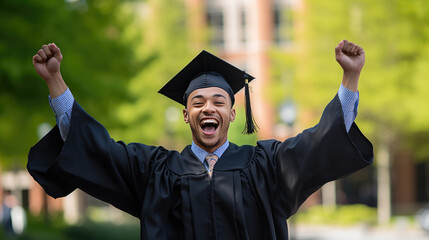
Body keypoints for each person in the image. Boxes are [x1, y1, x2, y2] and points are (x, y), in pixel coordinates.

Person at [28, 40, 373, 240]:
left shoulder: (265, 167)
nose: (208, 108)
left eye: (219, 102)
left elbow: (318, 144)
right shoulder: (155, 172)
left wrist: (350, 78)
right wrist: (55, 82)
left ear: (232, 114)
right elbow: (95, 150)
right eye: (198, 102)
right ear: (186, 114)